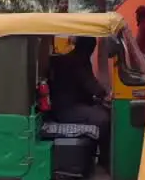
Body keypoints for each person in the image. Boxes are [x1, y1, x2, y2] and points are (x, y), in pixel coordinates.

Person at [48, 36, 111, 165]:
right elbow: (91, 85)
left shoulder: (75, 58)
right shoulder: (78, 61)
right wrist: (105, 94)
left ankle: (93, 154)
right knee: (104, 119)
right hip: (67, 110)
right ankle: (105, 160)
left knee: (100, 111)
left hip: (70, 105)